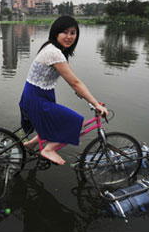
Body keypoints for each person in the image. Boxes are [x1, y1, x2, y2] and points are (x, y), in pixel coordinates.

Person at [19, 16, 108, 165]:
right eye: (64, 32)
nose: (69, 37)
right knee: (78, 123)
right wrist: (96, 104)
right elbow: (75, 82)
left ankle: (31, 144)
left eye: (73, 33)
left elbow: (72, 79)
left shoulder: (54, 49)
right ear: (56, 33)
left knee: (58, 124)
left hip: (36, 96)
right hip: (37, 99)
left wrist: (88, 97)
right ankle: (48, 150)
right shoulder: (54, 52)